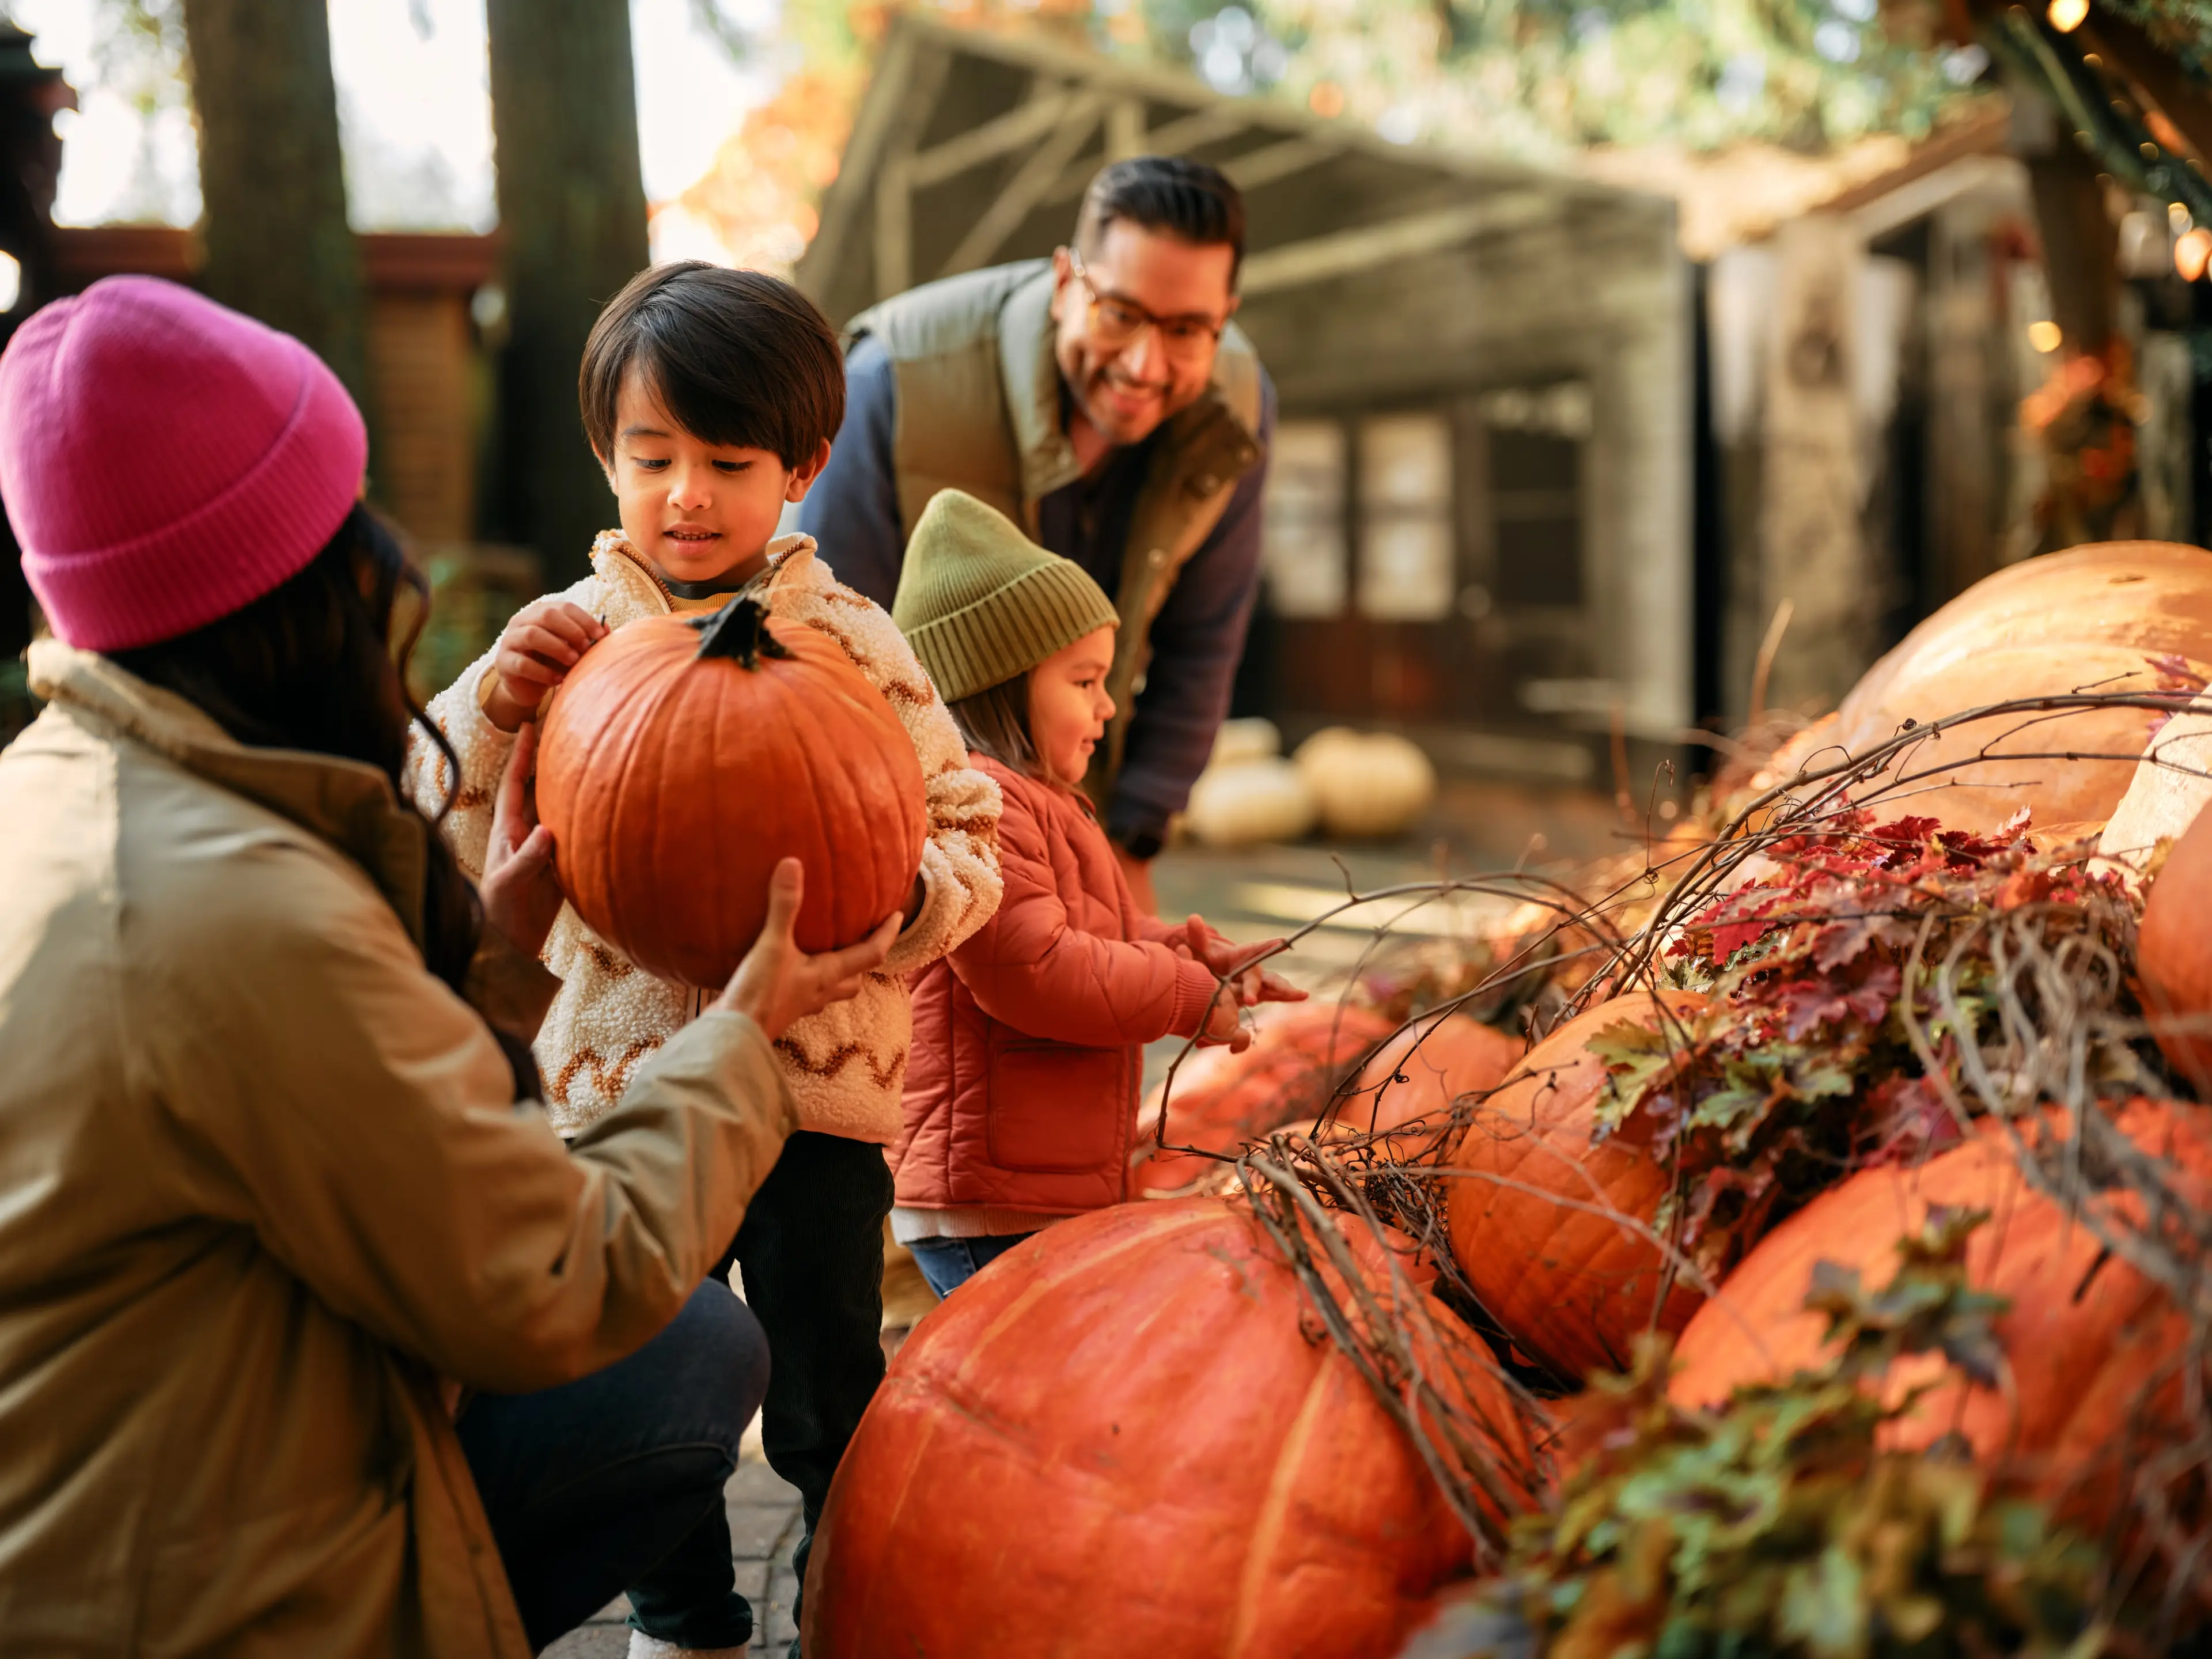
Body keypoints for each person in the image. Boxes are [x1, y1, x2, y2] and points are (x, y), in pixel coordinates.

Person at [0, 275, 897, 1656]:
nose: (393, 563)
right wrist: (741, 1039)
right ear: (292, 586)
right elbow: (555, 1279)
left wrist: (484, 952)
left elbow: (355, 1107)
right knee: (690, 1348)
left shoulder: (64, 792)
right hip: (201, 1585)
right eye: (349, 523)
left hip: (128, 1478)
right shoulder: (240, 915)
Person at [407, 261, 1003, 1657]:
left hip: (812, 1102)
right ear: (604, 456)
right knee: (644, 1380)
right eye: (651, 456)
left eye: (727, 462)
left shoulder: (858, 648)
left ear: (802, 465)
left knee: (823, 1387)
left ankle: (849, 1589)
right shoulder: (562, 642)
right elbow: (425, 805)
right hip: (616, 1106)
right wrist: (496, 704)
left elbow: (973, 829)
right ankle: (684, 1624)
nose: (685, 493)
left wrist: (897, 905)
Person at [801, 156, 1273, 914]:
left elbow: (1203, 639)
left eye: (1187, 330)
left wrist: (1135, 838)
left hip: (1085, 809)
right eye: (1120, 313)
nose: (1146, 364)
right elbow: (824, 642)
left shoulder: (1237, 411)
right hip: (903, 826)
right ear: (1065, 283)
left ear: (1226, 315)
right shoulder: (894, 381)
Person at [886, 491, 1302, 1293]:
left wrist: (1179, 953)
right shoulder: (978, 804)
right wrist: (1183, 996)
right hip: (991, 1194)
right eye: (1084, 681)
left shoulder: (1029, 800)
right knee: (1023, 1382)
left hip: (1023, 1183)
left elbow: (1075, 935)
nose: (1108, 705)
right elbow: (1033, 972)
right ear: (999, 686)